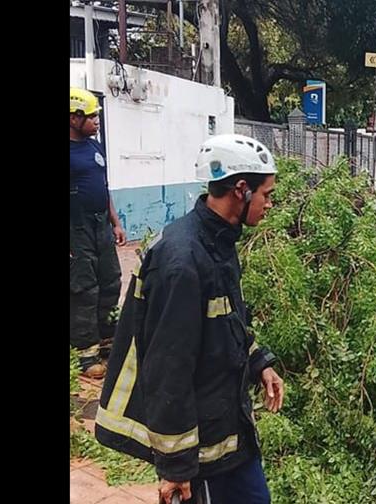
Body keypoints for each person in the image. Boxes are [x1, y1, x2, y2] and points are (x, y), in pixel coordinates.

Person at [95, 133, 285, 504]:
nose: (270, 203)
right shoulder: (182, 262)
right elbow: (169, 368)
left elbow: (227, 322)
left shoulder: (219, 243)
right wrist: (176, 468)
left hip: (232, 430)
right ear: (241, 190)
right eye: (267, 194)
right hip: (203, 455)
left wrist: (259, 363)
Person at [70, 87, 126, 379]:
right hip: (75, 229)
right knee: (84, 288)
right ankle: (85, 355)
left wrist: (115, 222)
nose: (96, 121)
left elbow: (103, 188)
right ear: (73, 119)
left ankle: (107, 342)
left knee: (110, 281)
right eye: (91, 117)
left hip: (100, 224)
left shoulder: (94, 148)